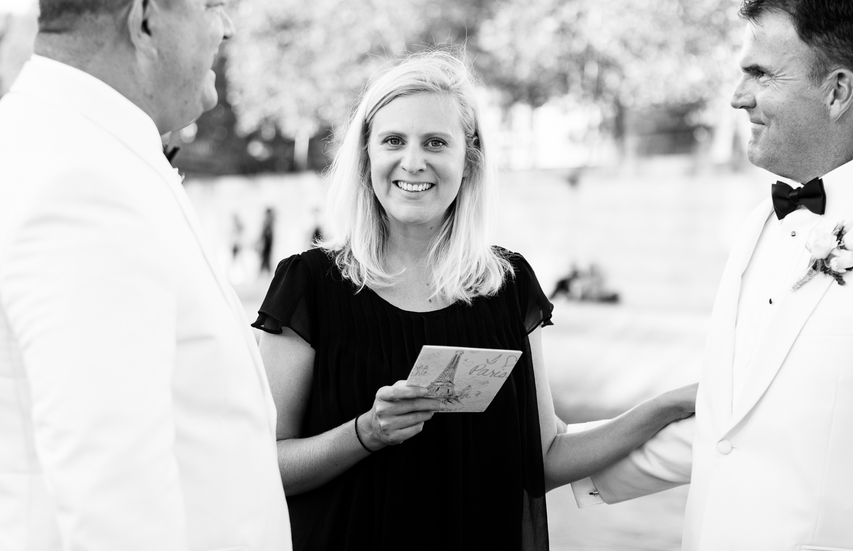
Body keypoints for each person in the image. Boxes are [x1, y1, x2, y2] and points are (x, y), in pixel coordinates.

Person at [0, 0, 291, 550]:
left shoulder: (51, 144)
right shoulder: (83, 190)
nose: (227, 29)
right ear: (146, 22)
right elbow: (115, 510)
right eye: (214, 5)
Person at [254, 51, 696, 550]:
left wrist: (667, 406)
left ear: (470, 161)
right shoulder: (308, 283)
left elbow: (544, 455)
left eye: (436, 142)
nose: (413, 161)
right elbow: (258, 464)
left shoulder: (508, 286)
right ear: (365, 157)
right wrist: (365, 432)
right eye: (394, 141)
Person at [569, 0, 853, 550]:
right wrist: (545, 462)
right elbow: (737, 428)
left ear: (837, 91)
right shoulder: (761, 224)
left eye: (759, 74)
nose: (738, 97)